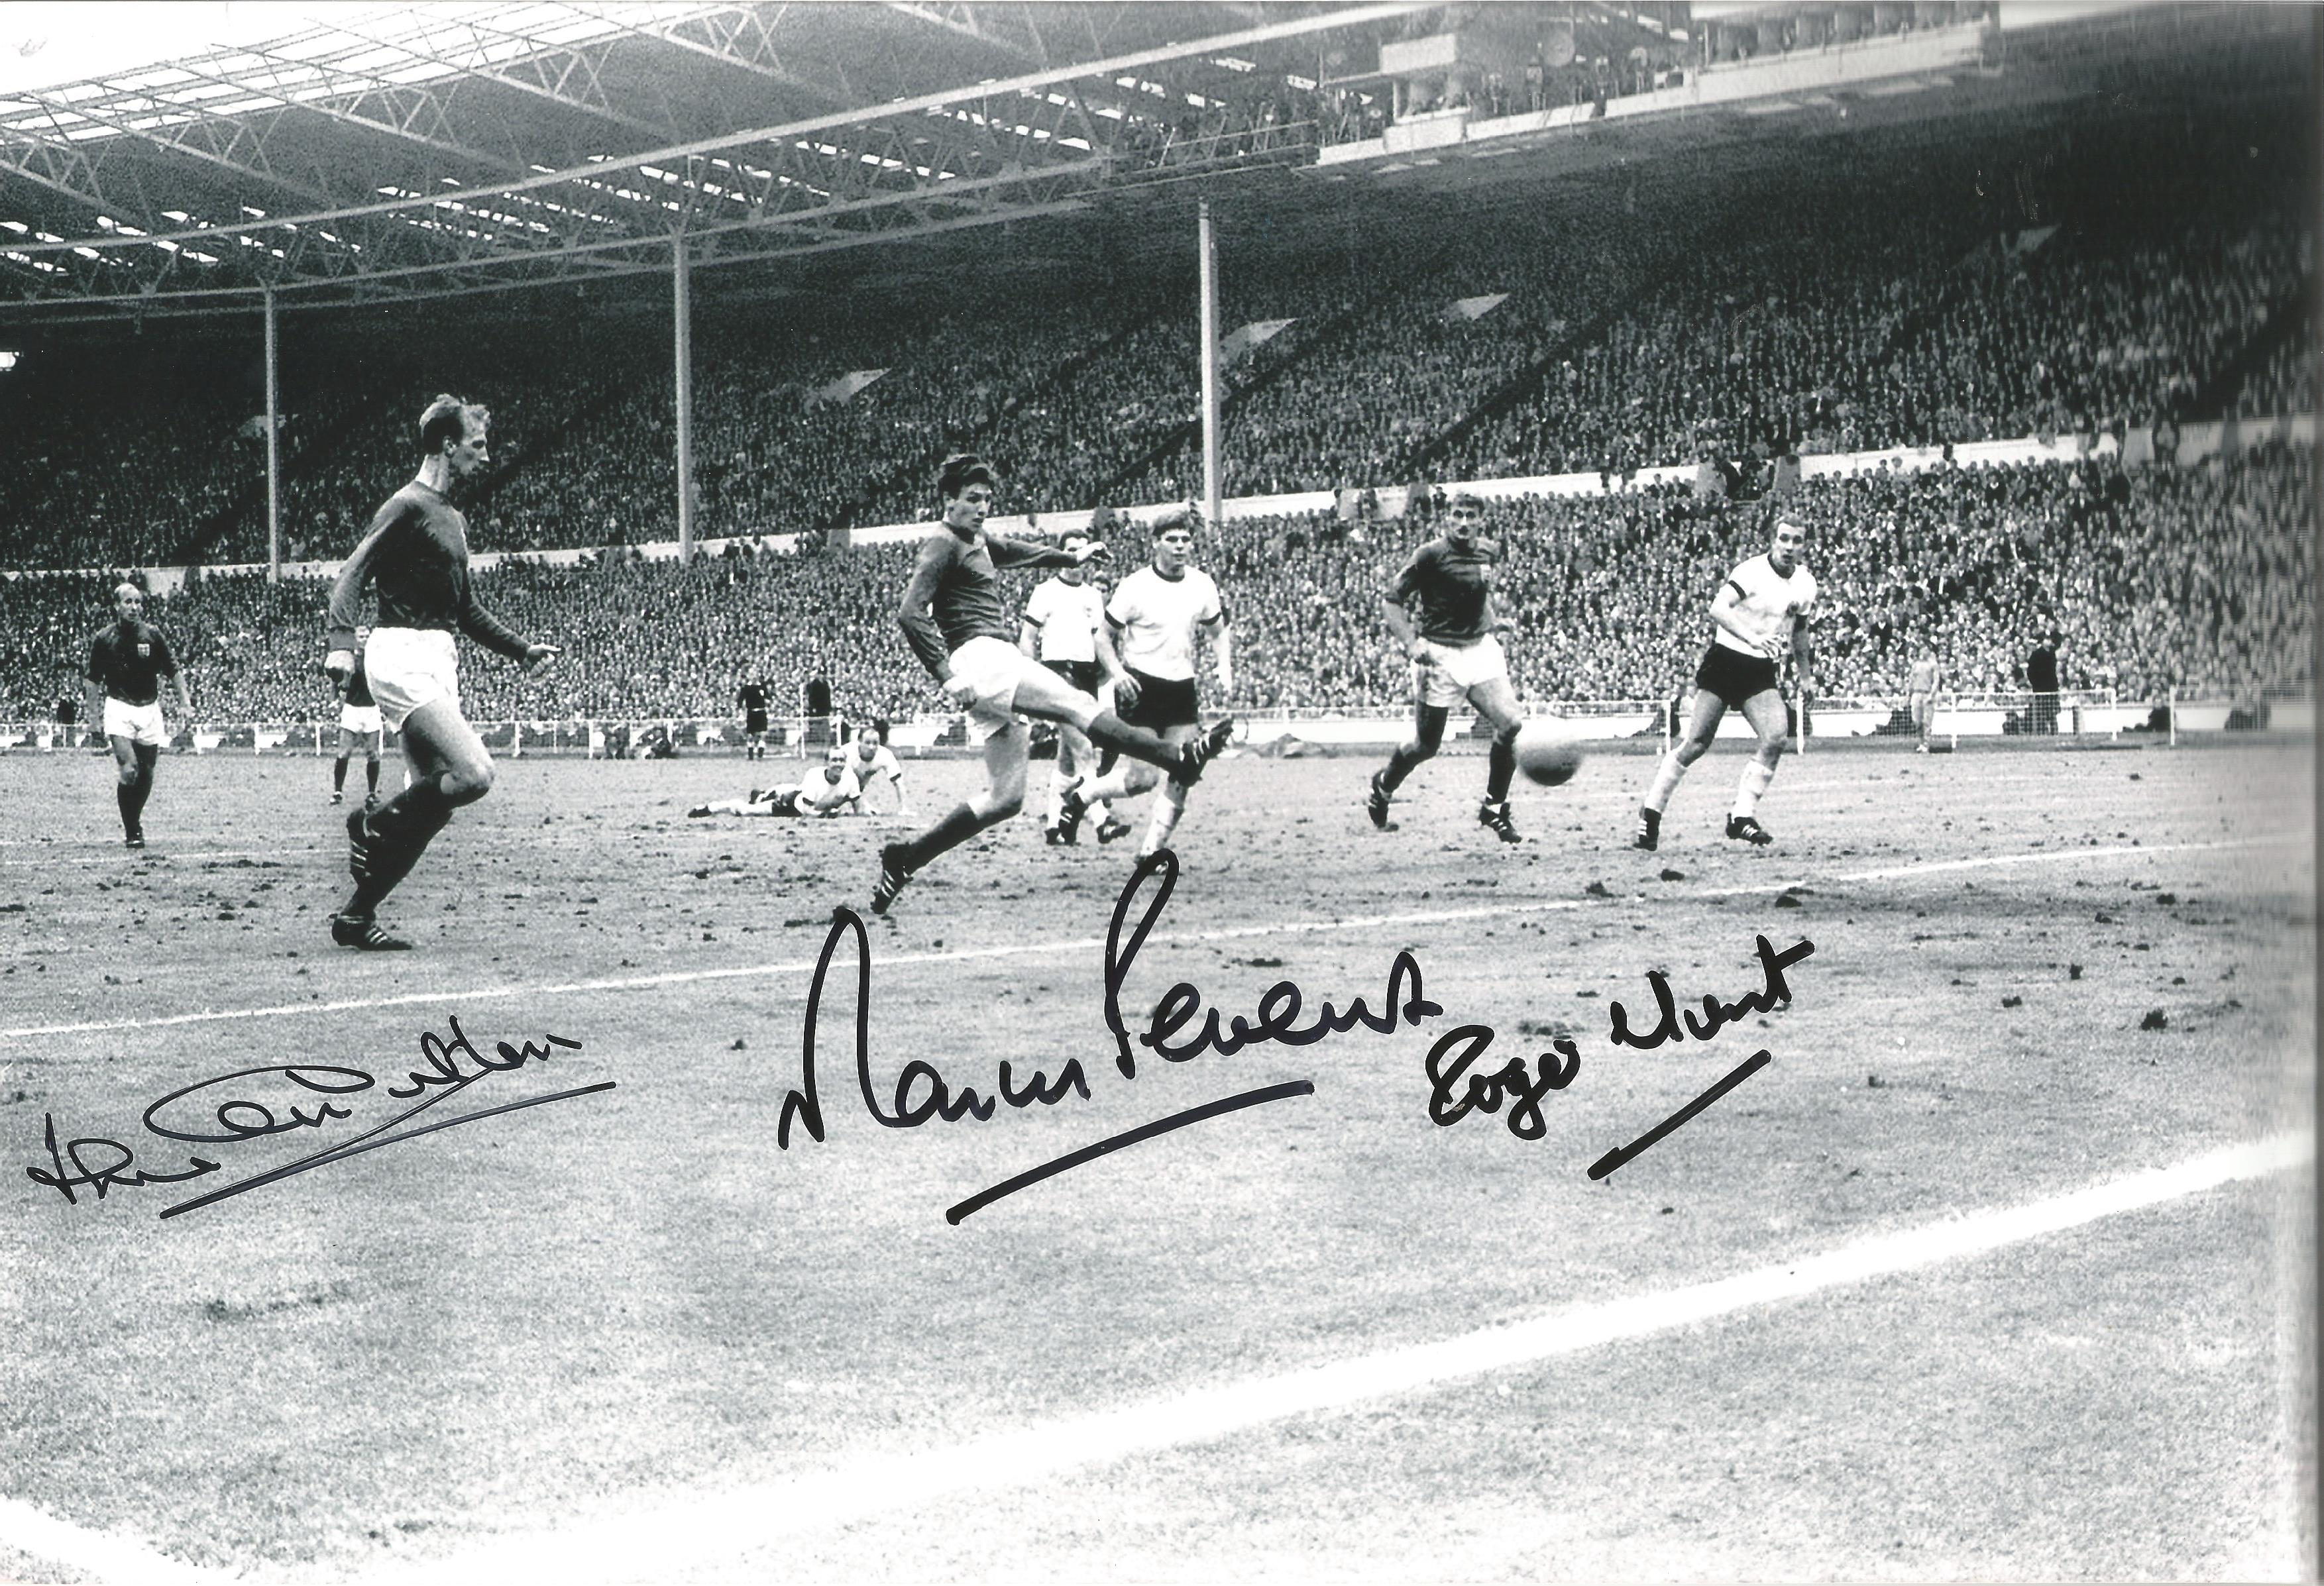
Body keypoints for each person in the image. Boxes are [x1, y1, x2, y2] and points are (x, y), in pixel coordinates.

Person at [873, 454, 1233, 914]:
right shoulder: (941, 544)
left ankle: (906, 857)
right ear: (948, 501)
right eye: (971, 499)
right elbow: (909, 612)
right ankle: (1176, 755)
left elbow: (1019, 552)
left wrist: (1070, 556)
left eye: (986, 499)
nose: (981, 507)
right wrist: (947, 675)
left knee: (1006, 799)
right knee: (1074, 705)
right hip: (980, 656)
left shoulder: (975, 538)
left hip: (986, 664)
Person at [323, 395, 560, 951]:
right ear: (449, 446)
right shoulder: (405, 505)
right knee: (475, 774)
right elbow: (352, 573)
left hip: (439, 654)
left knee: (434, 808)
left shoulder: (453, 518)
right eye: (477, 444)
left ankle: (357, 916)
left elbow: (466, 610)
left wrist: (520, 650)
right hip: (400, 650)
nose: (486, 453)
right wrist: (340, 643)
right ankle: (373, 822)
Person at [1633, 513, 1816, 851]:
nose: (1790, 547)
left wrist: (1806, 676)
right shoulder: (1752, 571)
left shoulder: (1806, 584)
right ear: (1773, 541)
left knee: (1776, 737)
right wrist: (1753, 639)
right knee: (1697, 743)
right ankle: (1651, 811)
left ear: (1806, 545)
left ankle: (1741, 817)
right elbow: (1718, 608)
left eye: (1797, 540)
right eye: (1784, 538)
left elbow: (1801, 632)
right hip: (1726, 662)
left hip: (1759, 671)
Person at [1056, 514, 1233, 858]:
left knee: (1187, 769)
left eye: (1185, 539)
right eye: (1172, 539)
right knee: (1143, 779)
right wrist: (1118, 673)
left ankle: (1150, 852)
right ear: (1155, 542)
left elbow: (1218, 630)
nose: (1181, 546)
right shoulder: (1135, 586)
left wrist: (1223, 666)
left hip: (1182, 688)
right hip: (1142, 688)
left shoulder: (1202, 585)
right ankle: (1085, 794)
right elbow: (1104, 637)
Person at [1364, 492, 1527, 844]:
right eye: (1458, 515)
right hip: (1439, 656)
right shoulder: (1429, 556)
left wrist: (1493, 621)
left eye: (1471, 515)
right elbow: (1392, 601)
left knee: (1511, 722)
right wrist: (1411, 642)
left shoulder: (1488, 551)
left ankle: (1494, 808)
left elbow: (1476, 594)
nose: (1464, 522)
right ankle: (1383, 786)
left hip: (1480, 650)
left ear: (1481, 520)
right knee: (1426, 745)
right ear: (1447, 519)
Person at [1019, 528, 1128, 845]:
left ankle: (1054, 826)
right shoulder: (1045, 591)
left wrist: (1115, 674)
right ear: (1061, 553)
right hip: (1057, 674)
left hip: (1086, 677)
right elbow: (1027, 637)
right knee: (1084, 750)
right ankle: (1102, 822)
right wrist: (1033, 675)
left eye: (1084, 550)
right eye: (1072, 549)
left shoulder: (1093, 596)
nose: (1079, 556)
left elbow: (1100, 640)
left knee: (1067, 757)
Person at [83, 582, 192, 850]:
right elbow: (93, 681)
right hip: (119, 707)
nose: (134, 608)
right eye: (128, 602)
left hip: (150, 709)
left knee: (146, 773)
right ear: (117, 606)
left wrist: (185, 702)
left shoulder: (152, 635)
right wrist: (94, 719)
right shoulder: (104, 638)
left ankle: (135, 820)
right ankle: (132, 829)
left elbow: (173, 670)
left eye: (138, 602)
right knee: (129, 768)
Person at [690, 745, 862, 818]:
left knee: (791, 788)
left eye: (841, 760)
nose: (838, 764)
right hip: (791, 807)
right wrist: (826, 815)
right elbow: (807, 812)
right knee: (747, 811)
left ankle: (760, 795)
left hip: (802, 795)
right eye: (834, 760)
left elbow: (859, 808)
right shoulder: (814, 775)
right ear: (827, 763)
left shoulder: (850, 778)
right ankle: (710, 808)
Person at [331, 626, 384, 808]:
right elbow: (341, 685)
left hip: (371, 709)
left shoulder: (377, 658)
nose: (364, 638)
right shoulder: (349, 659)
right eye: (361, 635)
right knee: (344, 752)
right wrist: (343, 682)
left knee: (373, 753)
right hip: (352, 709)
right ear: (355, 638)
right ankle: (337, 792)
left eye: (366, 635)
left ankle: (371, 793)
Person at [848, 733, 913, 818]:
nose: (871, 747)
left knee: (864, 812)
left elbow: (899, 783)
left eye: (875, 743)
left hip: (857, 789)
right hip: (837, 786)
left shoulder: (885, 755)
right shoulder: (847, 753)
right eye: (867, 743)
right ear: (859, 742)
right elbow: (843, 782)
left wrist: (904, 808)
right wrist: (863, 805)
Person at [1906, 645, 1941, 753]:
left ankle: (1926, 744)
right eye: (1922, 649)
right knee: (1916, 721)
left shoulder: (1933, 664)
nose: (1924, 651)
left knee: (1927, 721)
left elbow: (1936, 680)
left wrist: (1932, 694)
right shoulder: (1916, 664)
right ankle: (1921, 742)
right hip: (1916, 693)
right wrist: (1908, 694)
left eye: (1926, 649)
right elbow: (1911, 679)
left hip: (1927, 693)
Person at [2027, 632, 2060, 734]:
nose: (2049, 641)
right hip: (2041, 689)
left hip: (2052, 689)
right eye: (2047, 639)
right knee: (2042, 713)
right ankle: (2042, 732)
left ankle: (2054, 733)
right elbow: (2031, 672)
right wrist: (2036, 685)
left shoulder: (2052, 654)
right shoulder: (2037, 654)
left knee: (2052, 714)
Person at [738, 679, 771, 760]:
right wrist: (741, 712)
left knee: (763, 734)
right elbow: (740, 701)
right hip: (751, 713)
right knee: (750, 736)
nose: (754, 676)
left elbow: (768, 698)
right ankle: (751, 755)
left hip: (761, 712)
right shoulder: (746, 688)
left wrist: (768, 701)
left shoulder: (762, 686)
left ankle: (760, 755)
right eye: (752, 673)